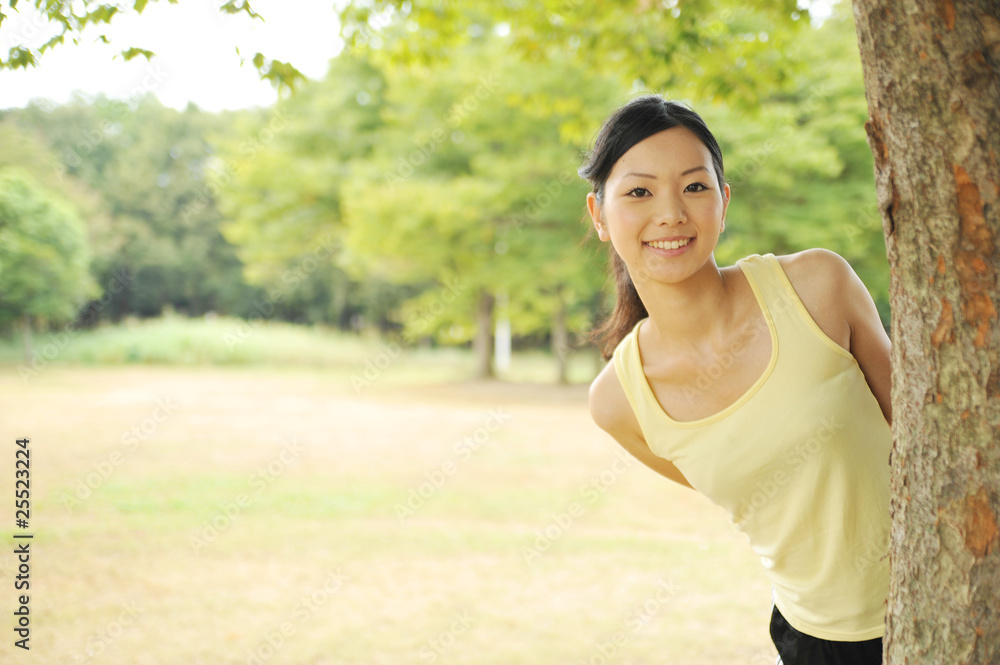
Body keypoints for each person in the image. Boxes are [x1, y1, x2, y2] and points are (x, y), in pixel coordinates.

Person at [579, 94, 892, 665]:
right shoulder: (619, 402)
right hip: (815, 642)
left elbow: (930, 439)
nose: (671, 212)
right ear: (599, 216)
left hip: (949, 601)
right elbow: (751, 489)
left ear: (723, 202)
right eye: (639, 192)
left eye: (695, 187)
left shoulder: (817, 286)